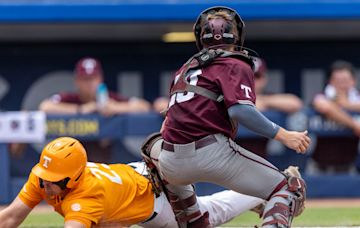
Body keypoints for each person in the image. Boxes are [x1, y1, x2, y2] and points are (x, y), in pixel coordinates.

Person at [158, 6, 310, 227]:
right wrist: (284, 135)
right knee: (289, 187)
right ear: (236, 35)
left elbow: (167, 121)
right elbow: (241, 111)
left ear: (201, 36)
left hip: (170, 162)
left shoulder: (185, 69)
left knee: (196, 218)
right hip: (210, 151)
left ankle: (194, 218)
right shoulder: (235, 62)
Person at [0, 136, 280, 228]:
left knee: (208, 215)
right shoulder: (44, 176)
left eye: (53, 181)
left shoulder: (86, 196)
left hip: (153, 198)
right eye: (44, 176)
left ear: (73, 177)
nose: (45, 185)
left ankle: (271, 191)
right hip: (134, 176)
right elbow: (11, 217)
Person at [39, 57, 151, 162]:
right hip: (71, 164)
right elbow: (45, 106)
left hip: (102, 165)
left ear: (100, 79)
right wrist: (81, 109)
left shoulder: (109, 98)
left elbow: (144, 106)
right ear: (77, 81)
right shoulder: (71, 98)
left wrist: (115, 108)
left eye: (93, 78)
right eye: (85, 79)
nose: (89, 83)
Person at [236, 57, 303, 158]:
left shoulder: (267, 97)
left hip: (260, 159)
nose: (252, 80)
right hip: (231, 159)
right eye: (248, 75)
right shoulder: (231, 95)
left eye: (257, 76)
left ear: (264, 79)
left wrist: (263, 101)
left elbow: (295, 103)